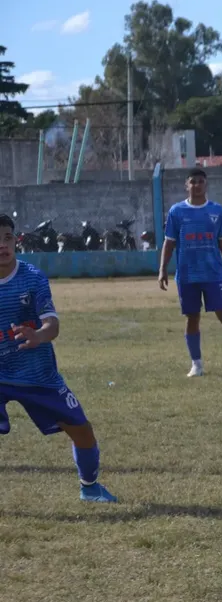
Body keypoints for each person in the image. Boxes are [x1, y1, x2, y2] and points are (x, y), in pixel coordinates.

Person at [0, 213, 117, 503]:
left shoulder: (32, 278)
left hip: (37, 374)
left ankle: (89, 488)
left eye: (6, 238)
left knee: (83, 431)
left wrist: (39, 335)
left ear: (16, 241)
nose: (2, 245)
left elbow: (52, 324)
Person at [158, 168, 222, 377]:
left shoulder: (217, 211)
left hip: (213, 274)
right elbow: (168, 243)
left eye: (200, 182)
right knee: (192, 318)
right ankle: (196, 364)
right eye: (193, 182)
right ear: (186, 185)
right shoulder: (176, 212)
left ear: (206, 185)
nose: (196, 185)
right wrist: (162, 270)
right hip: (188, 275)